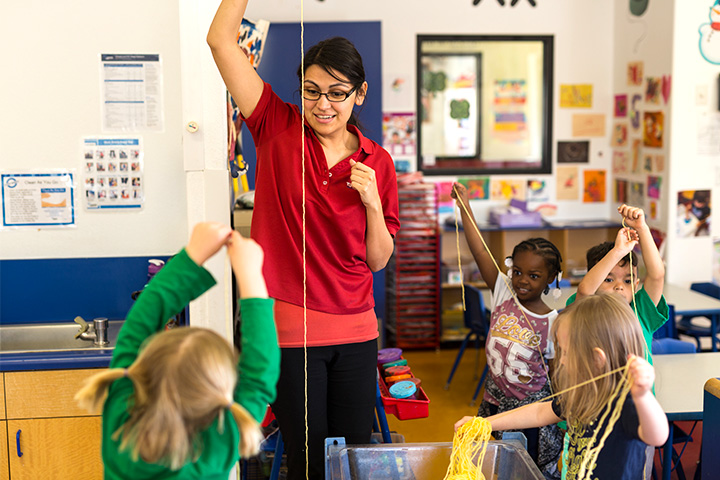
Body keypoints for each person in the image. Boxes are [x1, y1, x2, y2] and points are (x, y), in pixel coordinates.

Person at [207, 3, 400, 479]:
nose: (323, 105)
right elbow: (219, 41)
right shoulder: (276, 125)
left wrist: (373, 202)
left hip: (357, 329)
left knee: (355, 457)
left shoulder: (379, 162)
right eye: (311, 91)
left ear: (360, 94)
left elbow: (378, 261)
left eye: (337, 93)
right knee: (309, 459)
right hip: (291, 330)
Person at [75, 222, 280, 479]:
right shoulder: (222, 435)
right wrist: (249, 273)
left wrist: (192, 255)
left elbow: (137, 326)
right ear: (218, 391)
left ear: (144, 373)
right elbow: (259, 375)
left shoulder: (123, 417)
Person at [454, 294, 670, 480]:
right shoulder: (583, 392)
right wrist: (483, 423)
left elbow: (657, 436)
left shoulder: (627, 401)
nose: (562, 360)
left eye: (565, 352)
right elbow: (540, 412)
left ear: (597, 359)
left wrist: (643, 396)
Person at [451, 182, 564, 480]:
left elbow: (557, 378)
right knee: (494, 469)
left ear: (551, 278)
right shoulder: (502, 291)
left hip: (531, 416)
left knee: (529, 473)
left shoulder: (554, 322)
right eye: (517, 272)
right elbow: (479, 249)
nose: (522, 281)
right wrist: (465, 206)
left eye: (534, 275)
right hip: (493, 402)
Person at [568, 204, 668, 365]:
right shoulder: (585, 311)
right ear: (593, 278)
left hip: (638, 390)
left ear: (636, 285)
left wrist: (642, 228)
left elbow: (657, 275)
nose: (619, 286)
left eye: (628, 281)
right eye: (608, 279)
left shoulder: (640, 311)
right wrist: (617, 252)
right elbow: (585, 291)